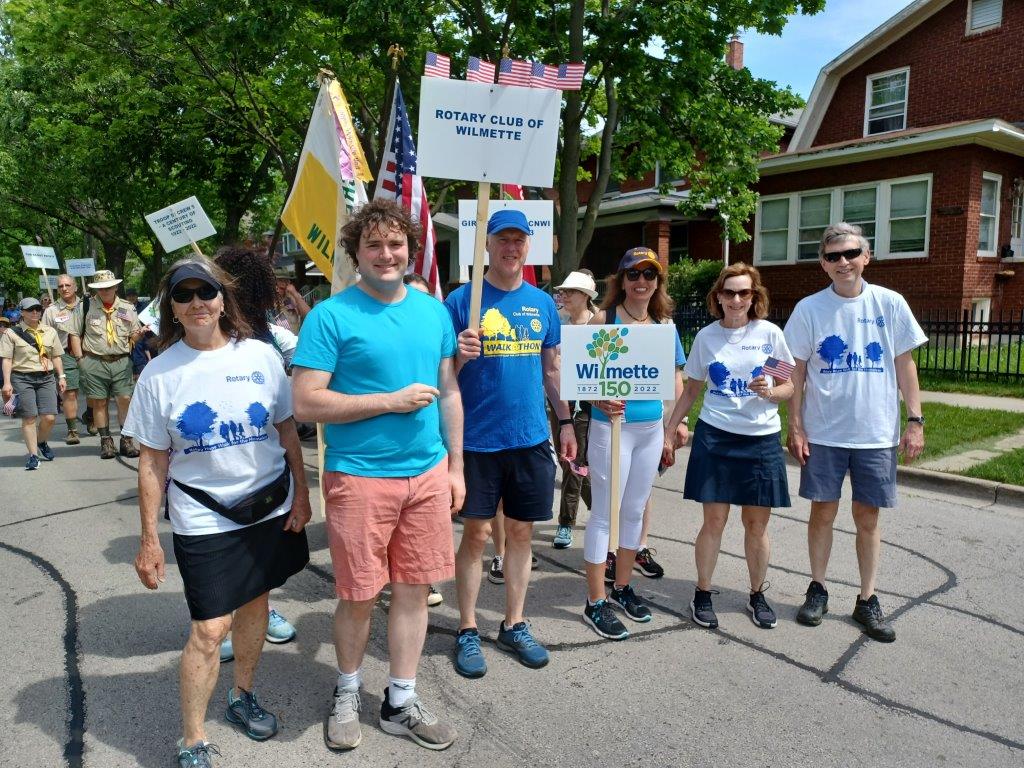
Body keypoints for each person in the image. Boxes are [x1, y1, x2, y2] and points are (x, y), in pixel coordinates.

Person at [125, 259, 311, 768]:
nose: (196, 303)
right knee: (209, 629)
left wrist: (302, 494)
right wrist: (148, 539)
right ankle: (192, 738)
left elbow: (287, 429)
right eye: (183, 296)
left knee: (255, 608)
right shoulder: (159, 375)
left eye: (205, 292)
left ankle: (241, 695)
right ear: (172, 310)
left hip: (268, 508)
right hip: (204, 518)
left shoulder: (261, 356)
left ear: (223, 299)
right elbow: (151, 461)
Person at [292, 199, 462, 752]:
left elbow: (449, 391)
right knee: (360, 594)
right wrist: (390, 401)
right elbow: (307, 404)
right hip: (360, 477)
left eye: (396, 244)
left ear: (411, 251)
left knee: (415, 590)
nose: (386, 254)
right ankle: (346, 691)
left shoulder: (434, 311)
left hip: (428, 473)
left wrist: (456, 465)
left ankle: (399, 699)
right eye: (374, 245)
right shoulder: (330, 316)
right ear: (355, 254)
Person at [444, 208, 577, 675]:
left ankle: (514, 622)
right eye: (503, 239)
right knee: (477, 535)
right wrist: (459, 355)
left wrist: (565, 422)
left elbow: (553, 369)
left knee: (521, 534)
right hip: (478, 441)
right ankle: (465, 628)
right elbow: (444, 380)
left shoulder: (542, 304)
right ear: (487, 245)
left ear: (529, 246)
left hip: (530, 438)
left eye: (519, 240)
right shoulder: (461, 301)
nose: (511, 247)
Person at [785, 222, 927, 643]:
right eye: (833, 256)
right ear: (822, 265)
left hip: (876, 433)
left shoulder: (890, 303)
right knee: (822, 513)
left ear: (866, 257)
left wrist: (914, 421)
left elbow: (905, 365)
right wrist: (795, 425)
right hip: (824, 432)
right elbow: (798, 369)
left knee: (868, 518)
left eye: (850, 253)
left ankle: (868, 598)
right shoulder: (809, 309)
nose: (843, 262)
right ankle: (818, 588)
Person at [663, 263, 794, 630]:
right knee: (714, 521)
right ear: (718, 297)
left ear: (755, 297)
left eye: (744, 293)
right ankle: (702, 593)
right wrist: (670, 429)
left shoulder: (768, 334)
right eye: (730, 293)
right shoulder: (707, 337)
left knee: (756, 525)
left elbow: (788, 387)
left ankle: (756, 594)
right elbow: (692, 388)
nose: (737, 300)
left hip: (760, 439)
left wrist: (771, 392)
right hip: (716, 436)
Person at [580, 248, 685, 640]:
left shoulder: (664, 324)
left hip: (649, 429)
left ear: (657, 282)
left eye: (649, 275)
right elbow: (580, 377)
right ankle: (595, 601)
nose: (641, 282)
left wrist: (677, 423)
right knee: (605, 512)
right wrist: (596, 399)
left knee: (635, 510)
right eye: (633, 274)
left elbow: (675, 377)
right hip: (612, 427)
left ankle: (621, 586)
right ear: (621, 280)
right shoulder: (601, 320)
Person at [212, 245, 306, 661]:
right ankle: (225, 617)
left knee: (259, 544)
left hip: (265, 457)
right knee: (222, 544)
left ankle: (260, 609)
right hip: (214, 458)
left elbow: (302, 364)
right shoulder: (199, 331)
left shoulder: (272, 337)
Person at [404, 272, 448, 609]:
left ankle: (423, 580)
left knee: (421, 545)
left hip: (431, 449)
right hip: (379, 464)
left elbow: (451, 390)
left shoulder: (435, 325)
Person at [72, 269, 144, 459]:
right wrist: (81, 360)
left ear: (116, 287)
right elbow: (74, 334)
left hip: (121, 360)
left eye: (109, 287)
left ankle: (126, 440)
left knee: (125, 399)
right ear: (95, 289)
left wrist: (139, 334)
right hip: (94, 361)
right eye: (101, 288)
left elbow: (133, 335)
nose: (105, 291)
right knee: (99, 402)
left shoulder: (127, 307)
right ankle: (106, 441)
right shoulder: (85, 306)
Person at [550, 270, 597, 550]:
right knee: (570, 461)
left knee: (573, 462)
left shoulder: (600, 322)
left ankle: (566, 522)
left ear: (586, 296)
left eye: (571, 292)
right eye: (563, 291)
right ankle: (604, 509)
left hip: (588, 405)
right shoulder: (557, 321)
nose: (564, 296)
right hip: (559, 401)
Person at [1, 297, 66, 469]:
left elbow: (56, 356)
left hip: (45, 377)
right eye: (31, 310)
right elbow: (7, 359)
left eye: (38, 309)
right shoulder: (11, 333)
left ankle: (41, 441)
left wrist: (61, 376)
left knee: (50, 417)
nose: (35, 312)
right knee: (29, 417)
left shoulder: (50, 331)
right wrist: (7, 383)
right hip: (22, 378)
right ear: (22, 312)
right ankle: (33, 455)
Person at [43, 274, 87, 444]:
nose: (64, 288)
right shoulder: (51, 311)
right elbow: (45, 337)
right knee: (70, 393)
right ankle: (72, 430)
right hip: (64, 354)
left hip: (89, 352)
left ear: (76, 287)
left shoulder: (87, 305)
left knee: (95, 391)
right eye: (61, 286)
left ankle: (90, 415)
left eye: (68, 285)